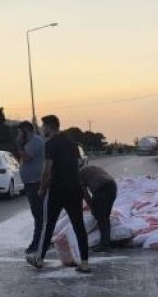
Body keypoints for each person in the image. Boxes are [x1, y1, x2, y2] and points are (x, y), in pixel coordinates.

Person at [28, 115, 90, 273]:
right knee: (79, 226)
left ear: (49, 126)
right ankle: (84, 263)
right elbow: (76, 165)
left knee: (48, 225)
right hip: (75, 189)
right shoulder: (71, 142)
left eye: (43, 126)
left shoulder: (51, 144)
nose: (42, 129)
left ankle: (39, 259)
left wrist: (42, 188)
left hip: (57, 190)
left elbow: (47, 170)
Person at [15, 121, 45, 254]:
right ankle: (41, 241)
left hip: (35, 183)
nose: (18, 135)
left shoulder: (35, 141)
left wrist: (19, 145)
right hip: (31, 183)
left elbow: (26, 158)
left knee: (39, 216)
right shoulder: (30, 142)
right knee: (39, 215)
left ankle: (37, 244)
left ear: (26, 131)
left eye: (20, 132)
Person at [79, 164, 117, 253]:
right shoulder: (91, 167)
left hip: (101, 188)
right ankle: (106, 242)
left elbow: (85, 194)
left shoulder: (78, 175)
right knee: (105, 217)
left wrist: (92, 207)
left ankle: (104, 245)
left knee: (100, 217)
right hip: (112, 186)